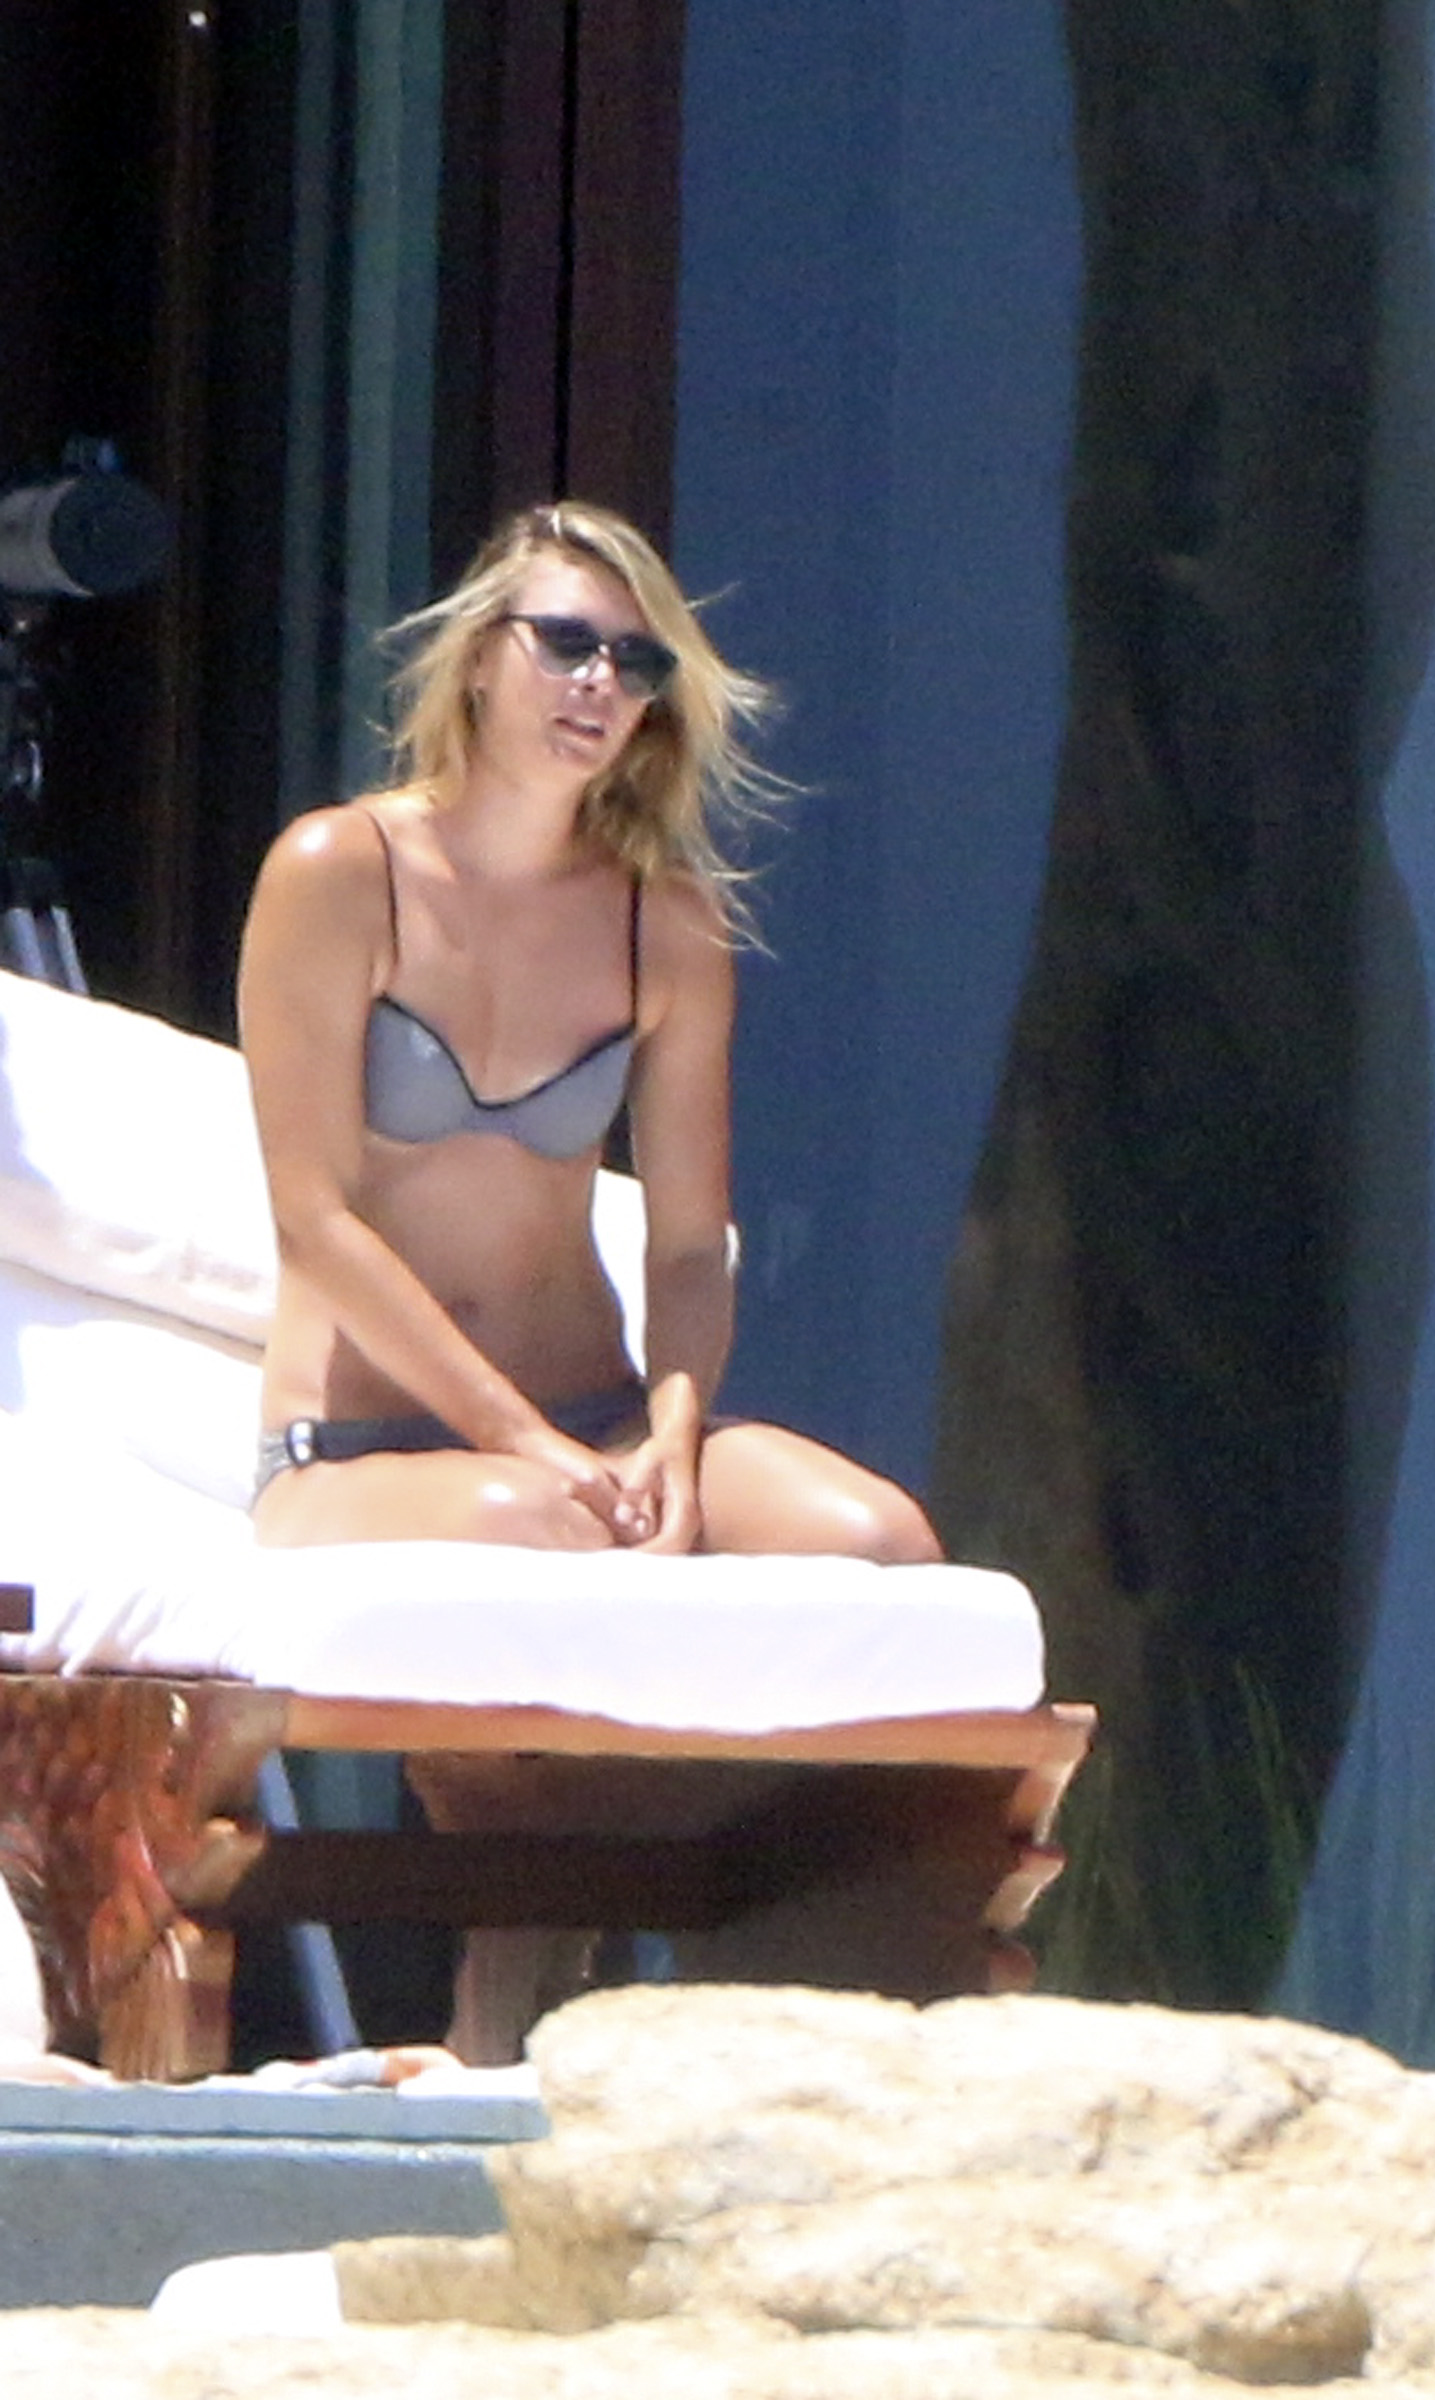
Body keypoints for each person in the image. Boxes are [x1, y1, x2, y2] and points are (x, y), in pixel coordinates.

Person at [236, 500, 942, 2055]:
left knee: (879, 1545)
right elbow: (315, 1222)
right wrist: (524, 1441)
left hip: (604, 1419)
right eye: (565, 643)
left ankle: (718, 1932)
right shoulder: (340, 869)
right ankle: (524, 1940)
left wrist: (673, 1436)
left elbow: (688, 1244)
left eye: (636, 663)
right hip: (360, 1448)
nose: (598, 683)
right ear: (480, 658)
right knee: (542, 1525)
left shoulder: (662, 927)